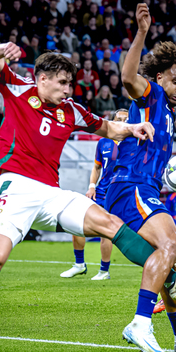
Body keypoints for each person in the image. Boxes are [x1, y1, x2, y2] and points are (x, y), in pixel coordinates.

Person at [0, 42, 176, 352]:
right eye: (63, 82)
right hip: (16, 187)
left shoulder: (71, 110)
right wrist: (3, 49)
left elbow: (107, 127)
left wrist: (132, 127)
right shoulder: (18, 89)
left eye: (71, 83)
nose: (69, 89)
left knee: (109, 225)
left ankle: (164, 281)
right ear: (41, 79)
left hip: (52, 193)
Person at [109, 4, 176, 352]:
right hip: (130, 187)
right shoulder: (150, 95)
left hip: (146, 188)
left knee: (171, 258)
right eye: (175, 80)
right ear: (160, 76)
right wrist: (141, 32)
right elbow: (127, 78)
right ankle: (139, 323)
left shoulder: (168, 116)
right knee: (171, 247)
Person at [60, 109, 129, 281]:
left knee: (106, 232)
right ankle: (79, 265)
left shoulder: (134, 143)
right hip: (100, 191)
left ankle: (104, 271)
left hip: (119, 193)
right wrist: (92, 186)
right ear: (113, 121)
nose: (122, 122)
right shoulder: (103, 142)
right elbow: (96, 167)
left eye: (126, 120)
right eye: (119, 119)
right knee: (76, 223)